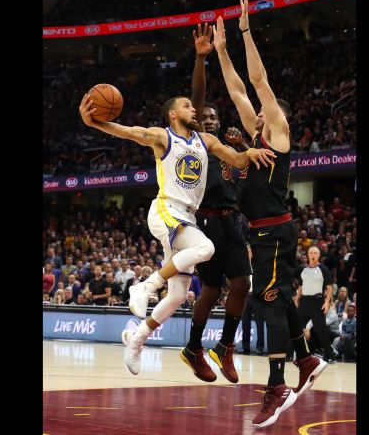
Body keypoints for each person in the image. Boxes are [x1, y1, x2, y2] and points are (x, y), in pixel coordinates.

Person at [78, 34, 276, 375]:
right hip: (166, 210)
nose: (192, 109)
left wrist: (251, 150)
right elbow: (127, 132)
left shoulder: (206, 139)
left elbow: (238, 160)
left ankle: (136, 337)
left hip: (187, 218)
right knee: (206, 249)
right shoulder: (162, 136)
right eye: (186, 105)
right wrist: (94, 122)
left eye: (191, 105)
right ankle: (144, 285)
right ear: (173, 114)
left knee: (179, 295)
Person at [212, 0, 326, 427]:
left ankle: (277, 385)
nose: (255, 111)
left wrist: (243, 33)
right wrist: (222, 52)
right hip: (265, 231)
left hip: (274, 231)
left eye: (262, 110)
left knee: (269, 299)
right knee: (276, 296)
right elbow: (238, 90)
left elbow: (256, 81)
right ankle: (308, 360)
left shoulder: (277, 131)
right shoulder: (255, 136)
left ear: (275, 116)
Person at [178, 23, 253, 384]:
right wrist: (200, 58)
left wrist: (241, 147)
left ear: (220, 125)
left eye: (212, 119)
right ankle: (194, 346)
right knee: (210, 289)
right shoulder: (197, 143)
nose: (207, 119)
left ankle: (224, 347)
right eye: (202, 117)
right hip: (205, 221)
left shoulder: (227, 151)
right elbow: (198, 96)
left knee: (242, 284)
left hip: (231, 222)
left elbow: (246, 176)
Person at [296, 247, 336, 363]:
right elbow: (300, 287)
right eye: (311, 253)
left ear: (318, 255)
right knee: (296, 328)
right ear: (307, 255)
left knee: (321, 330)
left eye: (315, 253)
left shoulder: (323, 269)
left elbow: (329, 287)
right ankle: (291, 354)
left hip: (317, 302)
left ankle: (330, 356)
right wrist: (297, 300)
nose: (313, 254)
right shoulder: (303, 270)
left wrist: (327, 302)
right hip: (304, 302)